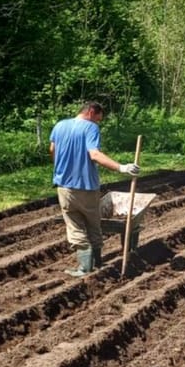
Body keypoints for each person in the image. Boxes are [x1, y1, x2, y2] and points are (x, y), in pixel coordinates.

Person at [49, 101, 138, 276]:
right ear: (90, 112)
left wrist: (61, 166)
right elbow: (95, 154)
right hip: (87, 186)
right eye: (98, 119)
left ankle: (85, 266)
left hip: (64, 186)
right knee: (93, 224)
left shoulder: (59, 126)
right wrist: (122, 167)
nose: (97, 123)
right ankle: (94, 264)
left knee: (74, 225)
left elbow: (52, 149)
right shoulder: (91, 128)